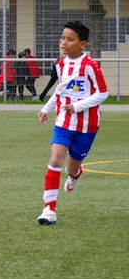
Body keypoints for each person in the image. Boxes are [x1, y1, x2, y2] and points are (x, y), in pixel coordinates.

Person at [37, 21, 108, 226]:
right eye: (63, 38)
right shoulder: (60, 65)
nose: (64, 43)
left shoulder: (90, 66)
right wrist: (46, 109)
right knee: (55, 160)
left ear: (82, 44)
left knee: (70, 169)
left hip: (87, 126)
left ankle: (76, 174)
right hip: (63, 122)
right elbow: (60, 91)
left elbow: (102, 93)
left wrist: (77, 106)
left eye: (70, 39)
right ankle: (49, 209)